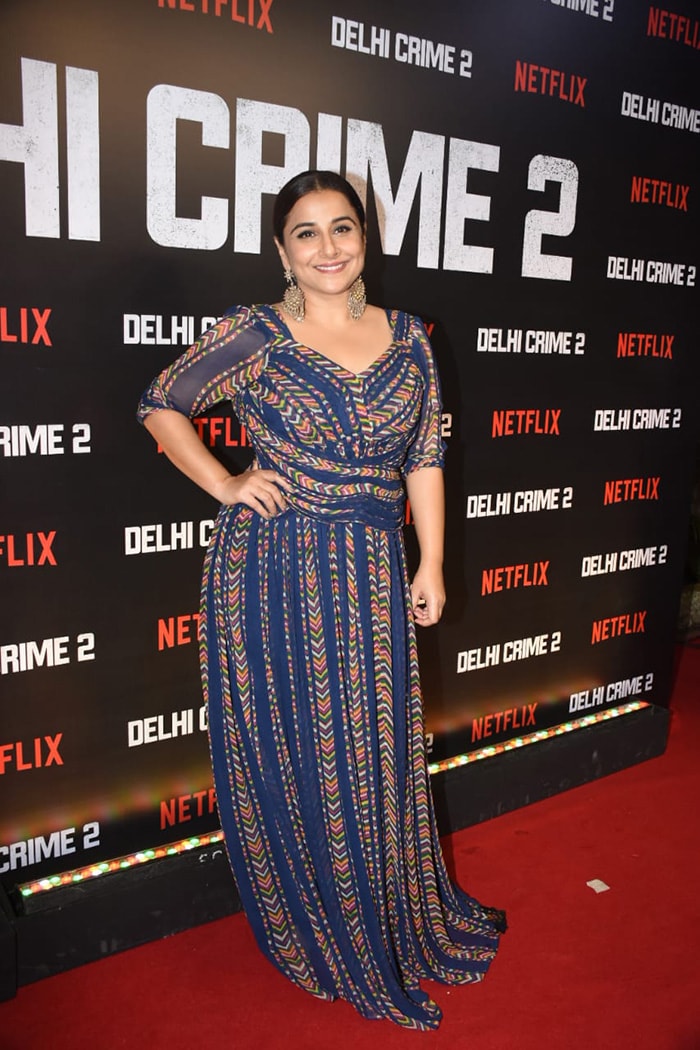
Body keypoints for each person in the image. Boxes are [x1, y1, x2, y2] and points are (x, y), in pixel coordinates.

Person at [137, 170, 505, 1030]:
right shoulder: (256, 334)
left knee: (372, 752)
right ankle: (322, 927)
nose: (329, 246)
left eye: (344, 228)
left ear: (365, 239)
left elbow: (425, 456)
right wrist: (225, 482)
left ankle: (388, 919)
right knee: (302, 749)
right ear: (282, 251)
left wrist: (434, 562)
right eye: (307, 233)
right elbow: (162, 404)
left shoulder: (411, 338)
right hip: (272, 569)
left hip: (372, 568)